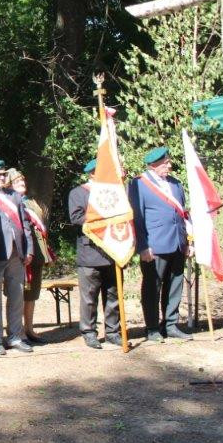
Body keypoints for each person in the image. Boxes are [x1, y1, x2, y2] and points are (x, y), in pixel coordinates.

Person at [128, 146, 193, 342]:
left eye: (168, 162)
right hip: (154, 246)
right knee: (152, 288)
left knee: (175, 286)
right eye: (165, 163)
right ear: (154, 165)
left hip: (177, 242)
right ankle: (153, 328)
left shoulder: (175, 184)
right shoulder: (138, 184)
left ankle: (171, 324)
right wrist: (143, 246)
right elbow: (137, 218)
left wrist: (189, 241)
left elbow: (183, 215)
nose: (169, 165)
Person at [0, 159, 34, 355]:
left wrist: (29, 249)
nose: (2, 177)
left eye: (4, 174)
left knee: (17, 296)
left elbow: (25, 223)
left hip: (16, 254)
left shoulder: (15, 196)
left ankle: (15, 336)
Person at [69, 159, 122, 349]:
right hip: (90, 252)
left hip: (112, 251)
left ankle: (113, 332)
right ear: (92, 174)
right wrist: (100, 217)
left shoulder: (115, 193)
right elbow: (75, 217)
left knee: (113, 296)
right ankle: (89, 332)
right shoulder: (78, 193)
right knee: (89, 298)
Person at [8, 168, 56, 344]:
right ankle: (16, 330)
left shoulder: (32, 203)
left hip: (35, 255)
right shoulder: (9, 202)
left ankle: (29, 329)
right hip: (20, 256)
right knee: (18, 295)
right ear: (10, 184)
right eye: (17, 181)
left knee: (32, 294)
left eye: (22, 180)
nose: (22, 183)